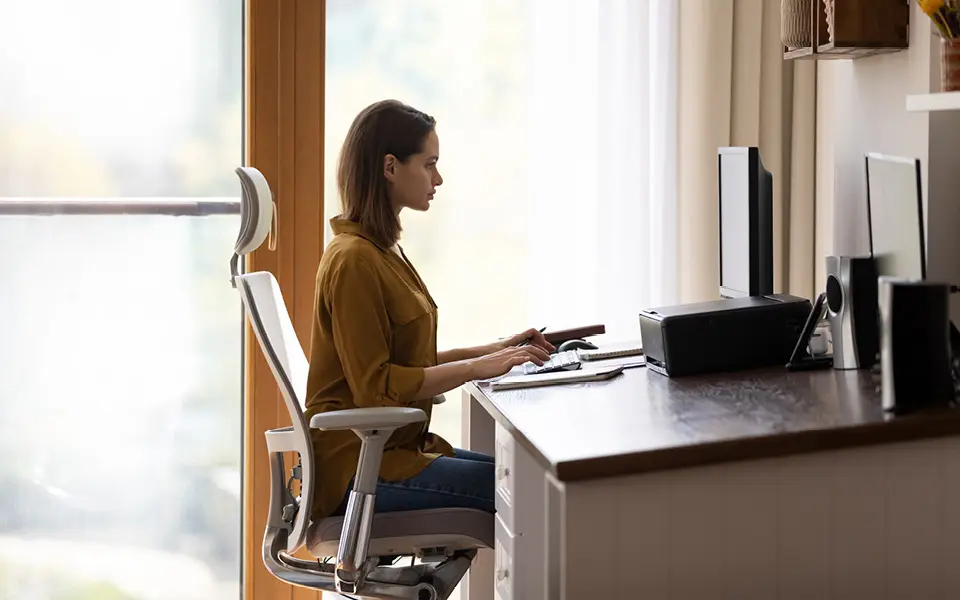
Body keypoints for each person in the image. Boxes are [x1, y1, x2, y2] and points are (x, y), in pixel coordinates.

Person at [304, 99, 554, 520]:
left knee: (529, 477)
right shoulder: (354, 261)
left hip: (393, 453)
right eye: (429, 164)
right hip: (358, 470)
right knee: (530, 492)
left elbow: (407, 364)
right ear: (390, 167)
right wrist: (475, 368)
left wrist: (497, 352)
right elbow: (376, 388)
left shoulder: (381, 250)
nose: (438, 178)